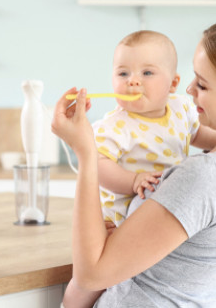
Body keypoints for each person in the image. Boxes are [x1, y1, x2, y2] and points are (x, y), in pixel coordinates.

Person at [52, 23, 216, 308]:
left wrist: (84, 151)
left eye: (202, 84)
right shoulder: (115, 126)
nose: (190, 89)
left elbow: (91, 275)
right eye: (123, 73)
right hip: (120, 212)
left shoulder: (201, 174)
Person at [93, 30, 215, 227]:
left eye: (147, 73)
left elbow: (197, 134)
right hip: (122, 217)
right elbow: (97, 165)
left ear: (173, 83)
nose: (132, 80)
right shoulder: (114, 126)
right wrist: (133, 181)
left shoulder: (180, 108)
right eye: (123, 73)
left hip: (167, 206)